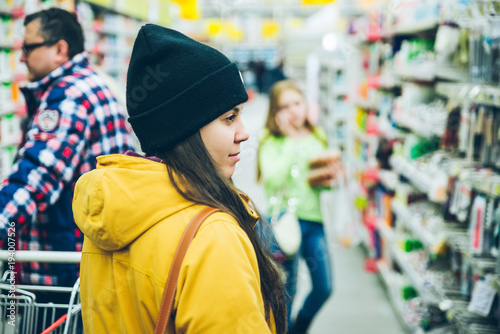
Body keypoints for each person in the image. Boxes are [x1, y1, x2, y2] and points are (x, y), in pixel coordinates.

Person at [73, 24, 287, 333]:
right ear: (184, 130)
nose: (244, 132)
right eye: (229, 118)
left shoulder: (106, 213)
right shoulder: (212, 236)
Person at [0, 7, 136, 290]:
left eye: (29, 47)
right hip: (86, 260)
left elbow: (36, 178)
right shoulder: (88, 84)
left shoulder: (68, 99)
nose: (22, 56)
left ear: (60, 49)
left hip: (64, 268)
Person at [258, 80, 339, 334]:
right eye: (284, 106)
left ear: (306, 104)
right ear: (275, 112)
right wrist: (292, 140)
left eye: (297, 103)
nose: (293, 110)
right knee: (286, 292)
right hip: (282, 223)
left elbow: (321, 184)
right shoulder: (270, 139)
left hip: (314, 221)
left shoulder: (318, 136)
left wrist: (330, 177)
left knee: (324, 287)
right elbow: (272, 178)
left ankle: (297, 329)